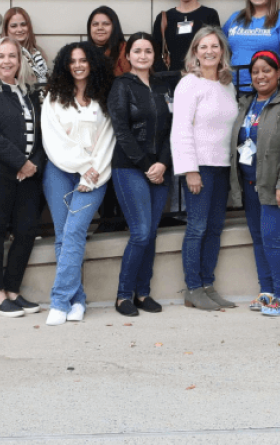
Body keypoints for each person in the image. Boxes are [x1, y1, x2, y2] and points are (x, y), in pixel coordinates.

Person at [41, 43, 115, 324]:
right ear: (65, 66)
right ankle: (78, 300)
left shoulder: (103, 97)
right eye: (72, 61)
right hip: (59, 172)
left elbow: (107, 139)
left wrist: (90, 172)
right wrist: (83, 167)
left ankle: (59, 301)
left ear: (92, 63)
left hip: (95, 174)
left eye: (83, 60)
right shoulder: (54, 98)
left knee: (74, 232)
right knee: (63, 237)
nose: (78, 65)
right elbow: (54, 140)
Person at [0, 37, 45, 317]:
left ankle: (13, 290)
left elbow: (41, 134)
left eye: (12, 56)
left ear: (20, 60)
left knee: (26, 231)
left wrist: (33, 164)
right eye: (1, 56)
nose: (6, 61)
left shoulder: (28, 93)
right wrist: (20, 162)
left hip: (28, 176)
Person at [234, 50, 280, 317]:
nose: (260, 76)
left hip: (275, 184)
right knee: (258, 238)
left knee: (273, 238)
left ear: (278, 73)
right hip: (249, 181)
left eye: (267, 70)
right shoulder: (247, 103)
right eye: (255, 71)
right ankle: (268, 293)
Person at [106, 32, 172, 316]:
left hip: (161, 168)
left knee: (152, 233)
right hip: (130, 168)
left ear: (154, 55)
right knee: (141, 232)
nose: (143, 55)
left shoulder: (162, 85)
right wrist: (148, 165)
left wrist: (164, 164)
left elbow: (174, 129)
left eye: (148, 51)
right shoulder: (121, 86)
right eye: (137, 51)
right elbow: (121, 131)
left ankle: (143, 294)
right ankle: (123, 296)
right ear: (128, 55)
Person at [172, 27, 238, 311]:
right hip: (199, 167)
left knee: (214, 229)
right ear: (195, 52)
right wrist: (190, 170)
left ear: (222, 50)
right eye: (203, 46)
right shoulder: (189, 84)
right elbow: (181, 129)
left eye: (215, 46)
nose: (209, 51)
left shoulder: (227, 84)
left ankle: (208, 285)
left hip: (222, 166)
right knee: (197, 228)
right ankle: (193, 288)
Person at [153, 0, 221, 77]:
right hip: (172, 80)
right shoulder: (164, 18)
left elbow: (218, 49)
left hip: (202, 78)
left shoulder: (209, 15)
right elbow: (155, 53)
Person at [1, 7, 51, 86]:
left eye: (23, 24)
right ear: (6, 30)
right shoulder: (4, 55)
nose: (20, 29)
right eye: (14, 26)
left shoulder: (38, 51)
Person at [85, 5, 127, 76]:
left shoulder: (125, 50)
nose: (100, 28)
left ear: (114, 27)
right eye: (95, 24)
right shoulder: (82, 51)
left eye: (106, 24)